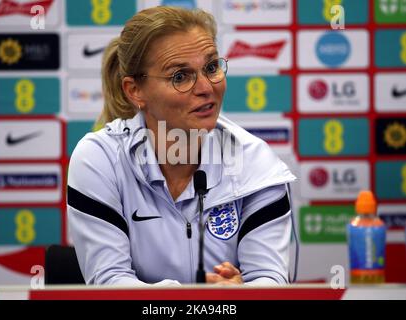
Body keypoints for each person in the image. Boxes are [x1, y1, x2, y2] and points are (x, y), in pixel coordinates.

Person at [67, 6, 296, 286]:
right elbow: (110, 281)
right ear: (134, 90)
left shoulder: (255, 161)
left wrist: (239, 294)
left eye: (211, 67)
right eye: (180, 76)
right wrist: (195, 300)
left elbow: (271, 280)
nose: (205, 87)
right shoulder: (99, 158)